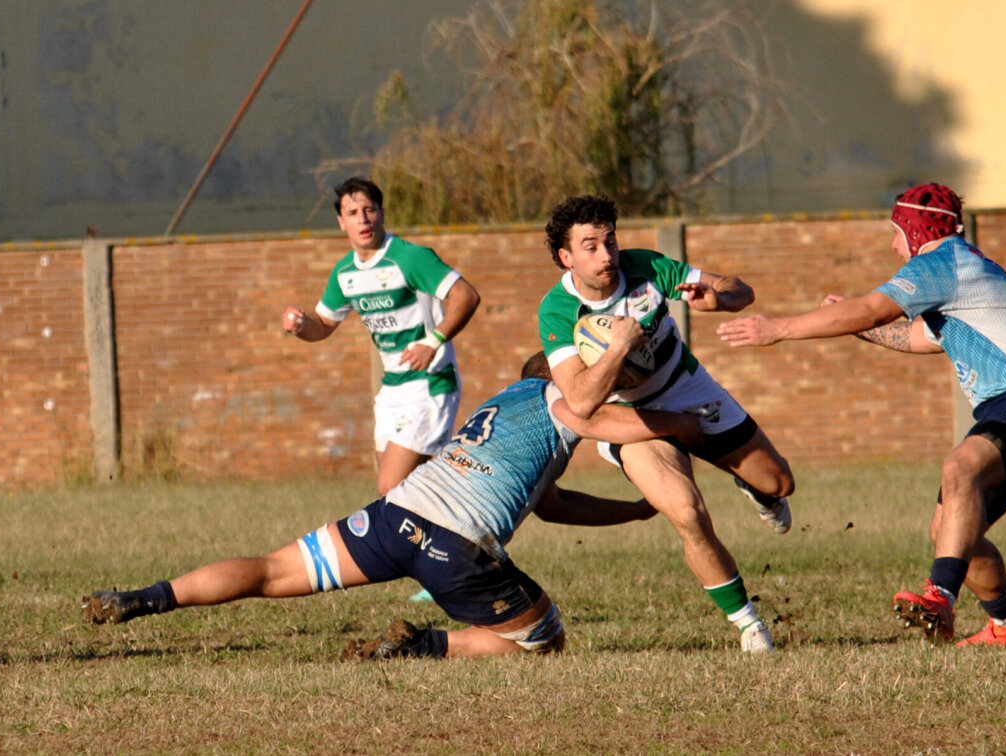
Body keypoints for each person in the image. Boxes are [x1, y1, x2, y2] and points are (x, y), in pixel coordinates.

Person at [82, 355, 730, 659]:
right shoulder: (570, 403)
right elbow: (626, 428)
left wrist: (634, 512)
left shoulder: (508, 402)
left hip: (396, 515)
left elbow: (553, 505)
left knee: (272, 570)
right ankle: (422, 649)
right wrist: (685, 422)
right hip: (457, 546)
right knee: (542, 640)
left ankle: (146, 597)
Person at [717, 182, 1006, 645]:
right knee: (952, 533)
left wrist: (777, 329)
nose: (894, 244)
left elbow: (873, 310)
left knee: (961, 468)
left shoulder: (942, 263)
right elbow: (917, 338)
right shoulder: (961, 273)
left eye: (897, 232)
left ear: (916, 229)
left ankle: (939, 597)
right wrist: (856, 326)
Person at [537, 194, 795, 653]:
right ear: (566, 256)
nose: (606, 256)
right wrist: (619, 347)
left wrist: (718, 298)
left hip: (687, 386)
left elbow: (741, 289)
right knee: (686, 512)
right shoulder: (556, 311)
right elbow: (579, 401)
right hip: (631, 416)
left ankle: (753, 486)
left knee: (779, 484)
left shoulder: (648, 267)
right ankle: (749, 625)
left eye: (610, 242)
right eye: (591, 246)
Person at [282, 176, 481, 496]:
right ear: (341, 223)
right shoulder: (345, 273)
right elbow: (323, 323)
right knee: (416, 490)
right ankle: (459, 535)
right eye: (352, 212)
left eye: (369, 209)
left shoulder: (410, 258)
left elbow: (466, 296)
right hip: (392, 390)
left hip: (430, 383)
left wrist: (432, 342)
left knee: (392, 487)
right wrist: (301, 326)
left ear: (381, 213)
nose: (362, 218)